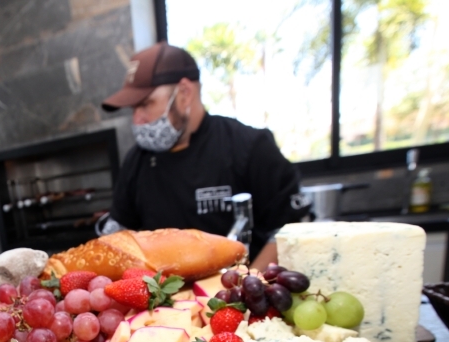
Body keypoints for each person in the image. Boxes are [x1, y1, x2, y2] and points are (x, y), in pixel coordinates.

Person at [102, 42, 307, 267]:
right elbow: (118, 238)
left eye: (146, 104)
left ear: (185, 93)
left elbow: (289, 230)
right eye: (133, 109)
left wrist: (249, 288)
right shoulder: (136, 162)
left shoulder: (250, 147)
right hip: (165, 297)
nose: (137, 119)